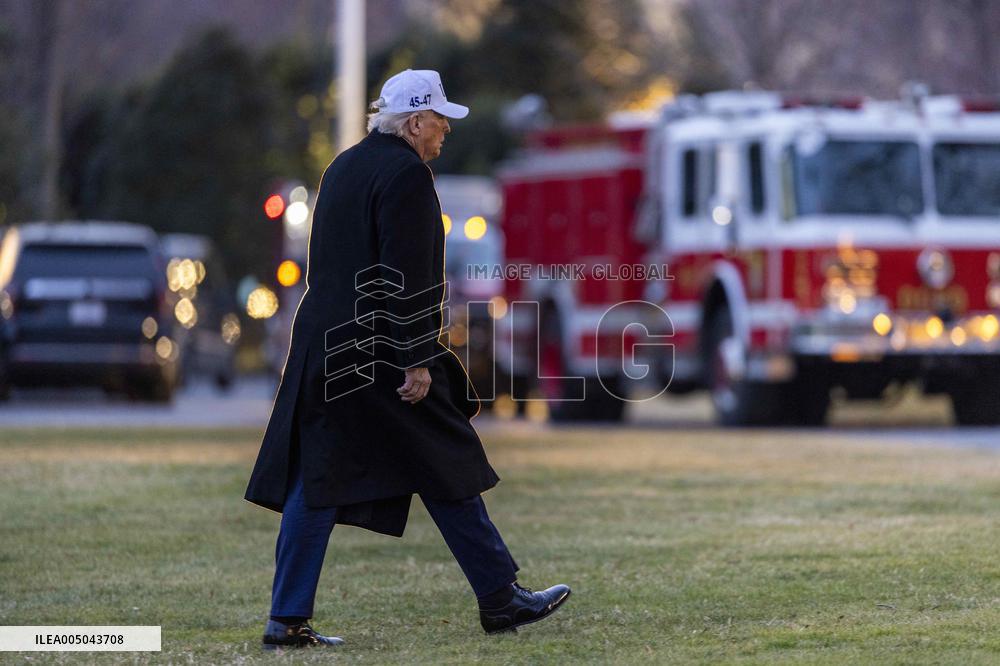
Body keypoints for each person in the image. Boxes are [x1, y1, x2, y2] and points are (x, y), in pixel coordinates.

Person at [244, 69, 570, 650]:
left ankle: (286, 617)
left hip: (325, 342)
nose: (445, 128)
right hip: (382, 352)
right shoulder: (408, 175)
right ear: (414, 121)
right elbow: (409, 273)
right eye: (439, 118)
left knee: (318, 475)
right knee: (444, 458)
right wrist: (418, 357)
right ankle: (500, 599)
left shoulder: (342, 167)